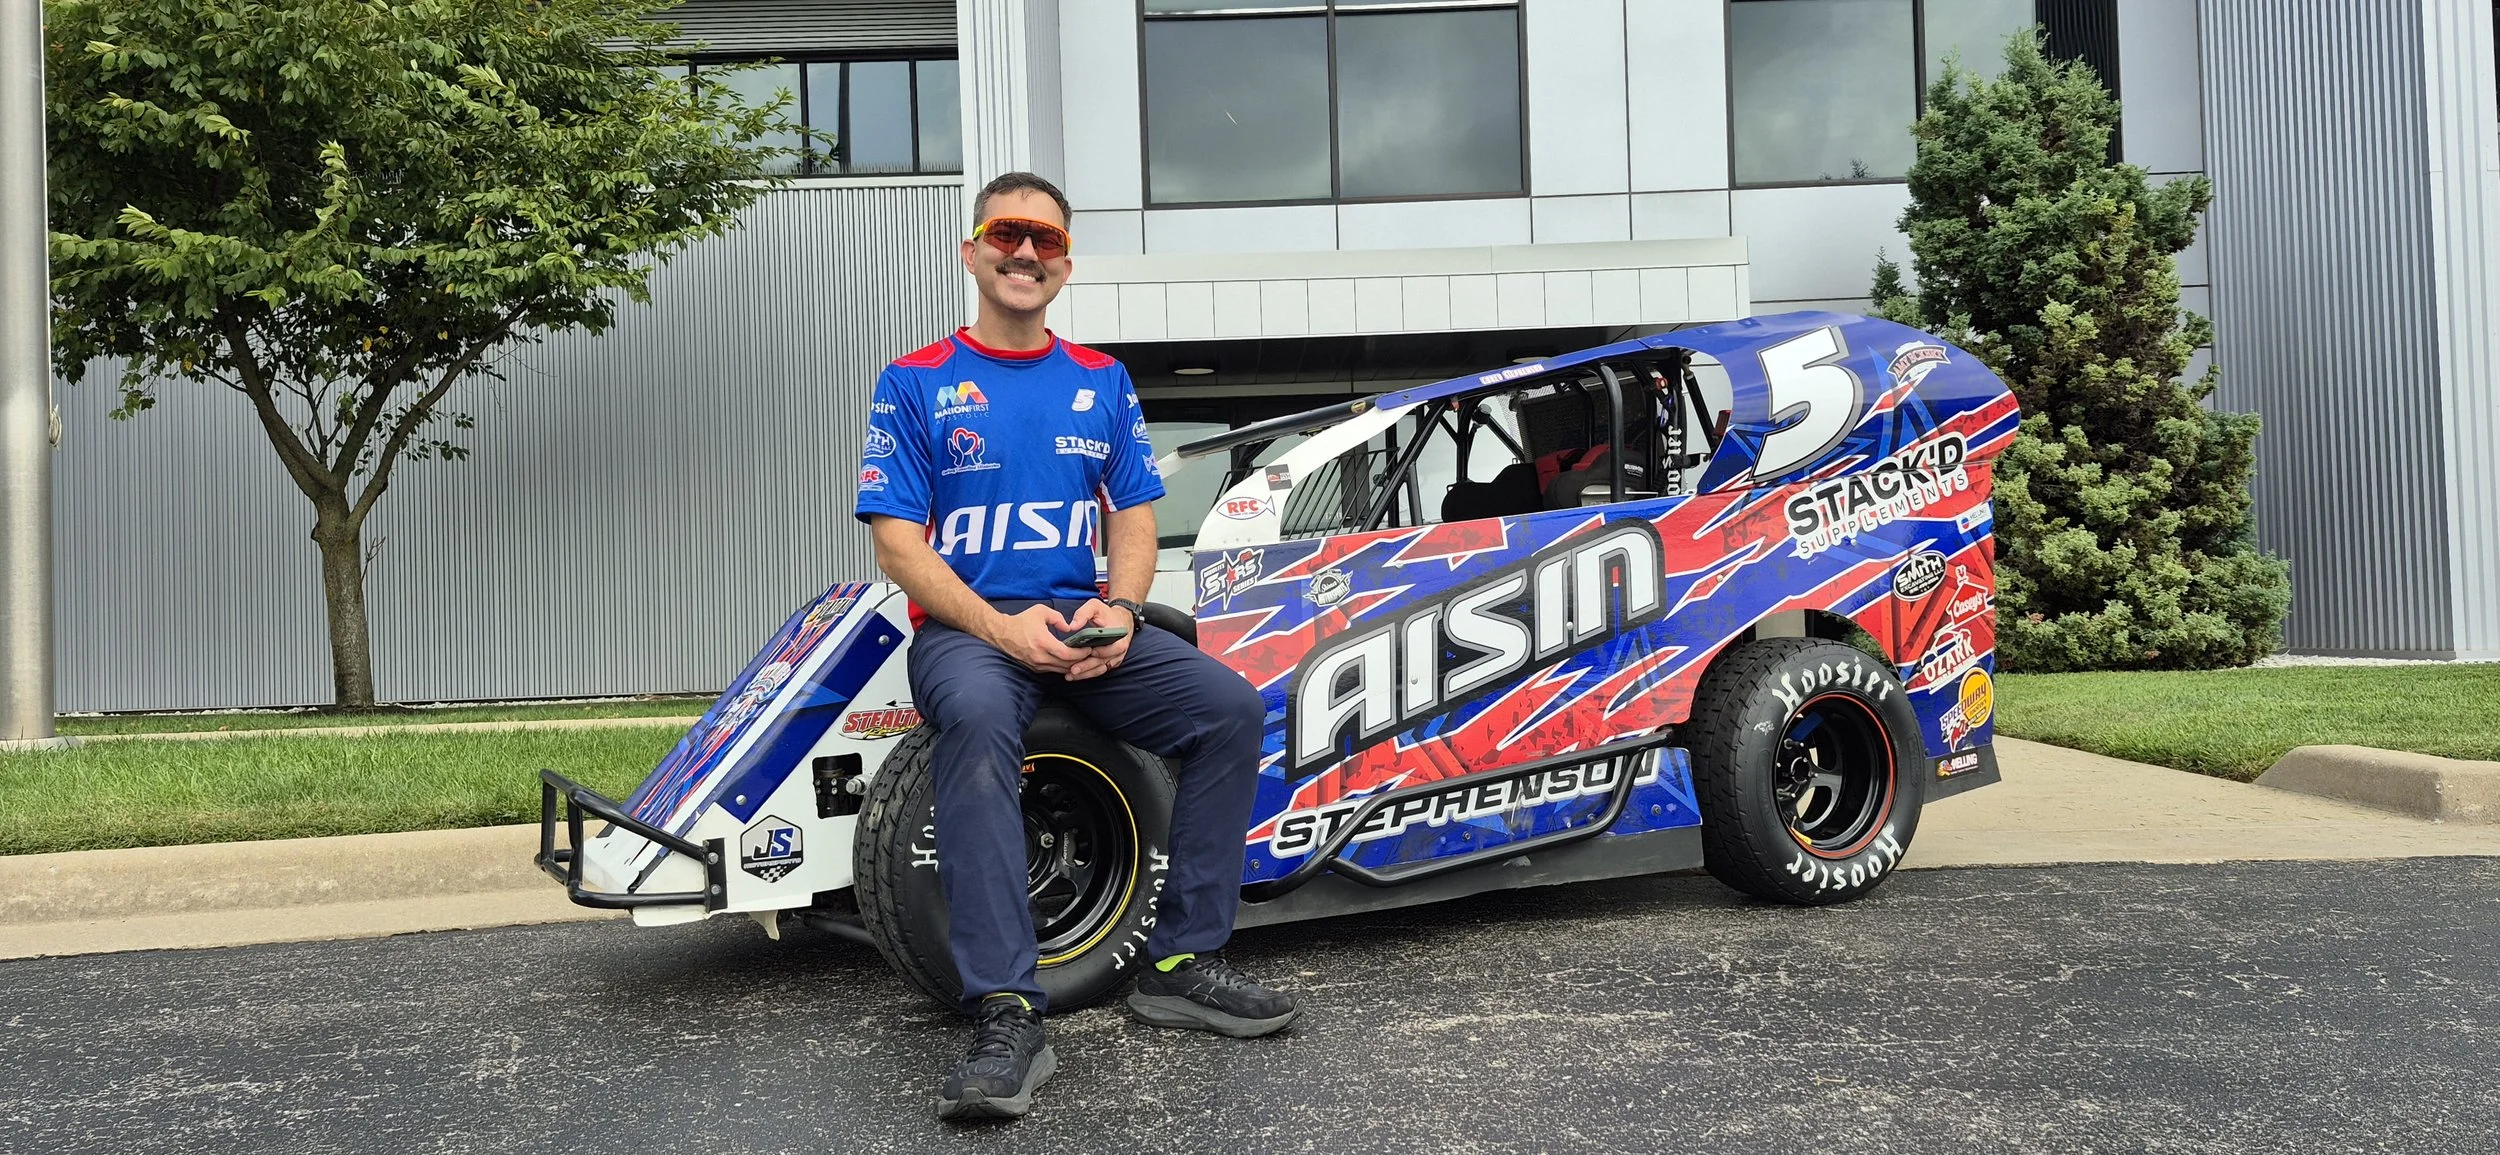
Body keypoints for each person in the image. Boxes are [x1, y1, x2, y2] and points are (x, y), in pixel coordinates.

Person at [853, 171, 1299, 1123]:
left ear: (1064, 265)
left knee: (1230, 711)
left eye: (1046, 242)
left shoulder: (1101, 380)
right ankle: (1009, 1010)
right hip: (972, 638)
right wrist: (998, 624)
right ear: (972, 251)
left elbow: (1134, 519)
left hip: (1087, 629)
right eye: (1008, 236)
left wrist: (1124, 614)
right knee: (975, 722)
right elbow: (897, 542)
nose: (1026, 254)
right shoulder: (917, 379)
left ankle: (1179, 964)